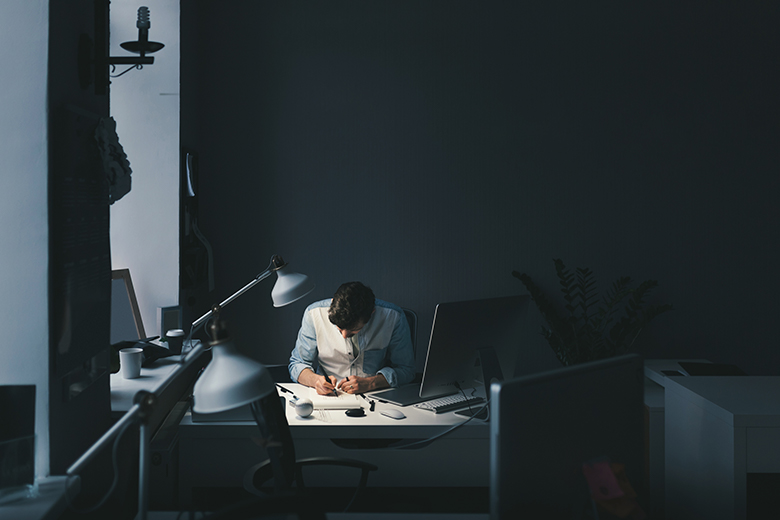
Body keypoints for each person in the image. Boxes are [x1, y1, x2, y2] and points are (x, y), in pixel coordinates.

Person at [289, 281, 415, 395]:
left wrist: (371, 383)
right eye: (339, 328)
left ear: (371, 313)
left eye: (353, 330)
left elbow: (407, 370)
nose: (344, 335)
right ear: (333, 303)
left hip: (375, 396)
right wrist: (315, 380)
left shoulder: (393, 317)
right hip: (329, 396)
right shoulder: (313, 314)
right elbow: (297, 364)